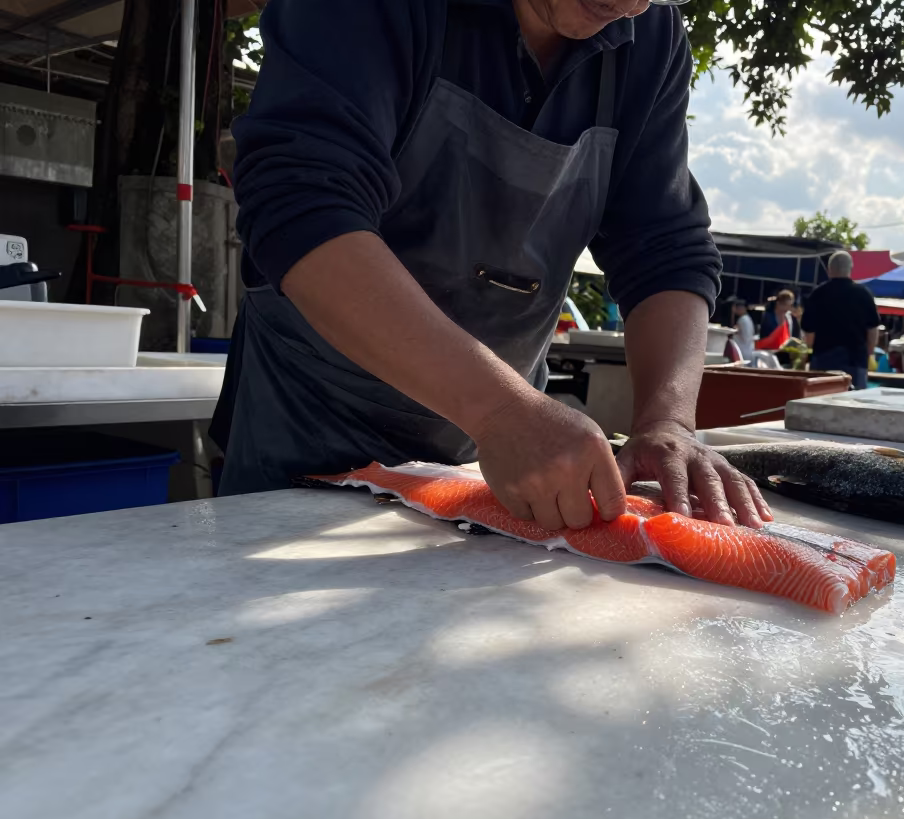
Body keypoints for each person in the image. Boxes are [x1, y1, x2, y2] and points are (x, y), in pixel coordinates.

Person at [209, 0, 771, 531]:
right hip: (306, 426)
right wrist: (499, 409)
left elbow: (664, 246)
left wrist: (668, 421)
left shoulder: (651, 37)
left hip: (489, 458)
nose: (634, 5)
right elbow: (304, 204)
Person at [802, 251, 881, 390]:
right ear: (851, 269)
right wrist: (869, 353)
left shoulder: (817, 294)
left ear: (829, 270)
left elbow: (809, 335)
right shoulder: (864, 294)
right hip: (855, 360)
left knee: (821, 404)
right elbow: (873, 329)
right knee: (854, 406)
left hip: (823, 359)